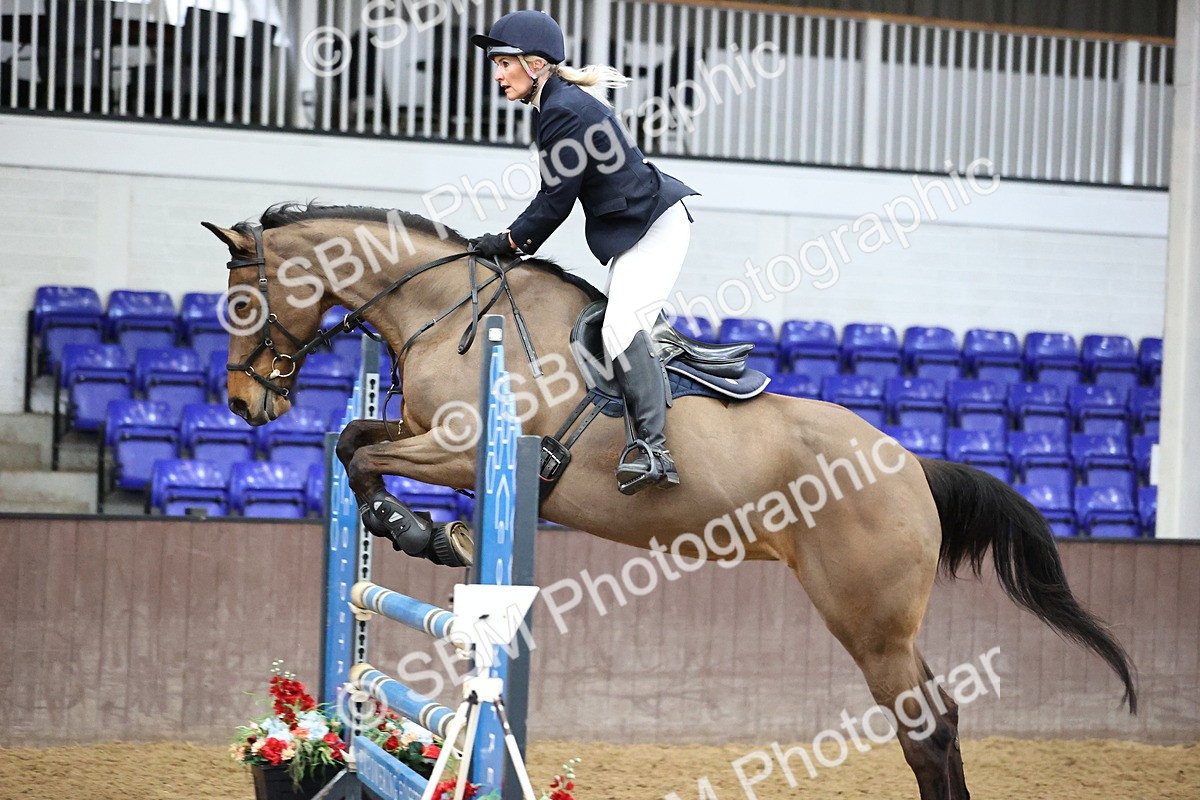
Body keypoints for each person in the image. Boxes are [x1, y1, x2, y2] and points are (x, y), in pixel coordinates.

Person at [470, 9, 699, 496]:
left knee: (620, 329)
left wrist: (509, 243)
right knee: (605, 327)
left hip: (654, 227)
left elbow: (555, 200)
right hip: (637, 230)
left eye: (503, 62)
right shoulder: (559, 103)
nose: (496, 73)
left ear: (534, 64)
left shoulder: (563, 109)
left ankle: (656, 450)